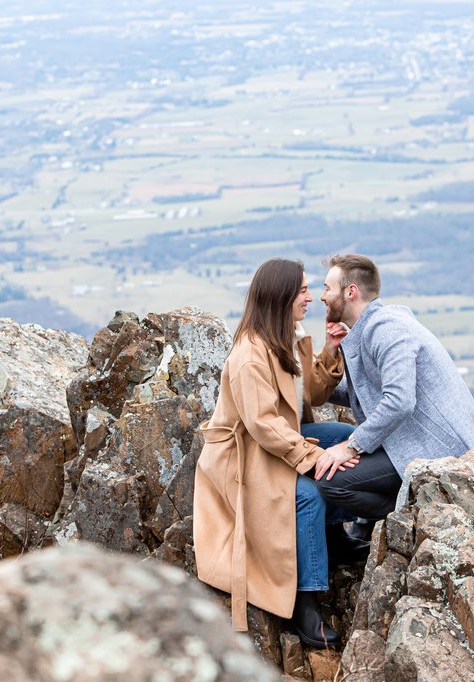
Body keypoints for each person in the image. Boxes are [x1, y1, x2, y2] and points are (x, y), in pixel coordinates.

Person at [193, 258, 359, 648]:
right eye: (302, 290)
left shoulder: (288, 336)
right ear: (281, 297)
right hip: (246, 458)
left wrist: (331, 350)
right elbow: (263, 426)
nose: (311, 297)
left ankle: (333, 540)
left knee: (344, 436)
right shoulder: (249, 355)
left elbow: (311, 395)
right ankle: (306, 602)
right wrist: (312, 457)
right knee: (308, 495)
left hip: (275, 440)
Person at [313, 254, 474, 528]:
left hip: (443, 450)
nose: (321, 296)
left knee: (332, 483)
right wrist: (314, 374)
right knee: (330, 464)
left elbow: (399, 401)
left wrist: (350, 448)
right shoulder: (371, 328)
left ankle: (412, 514)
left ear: (350, 292)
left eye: (327, 288)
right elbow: (359, 395)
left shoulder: (386, 329)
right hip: (414, 443)